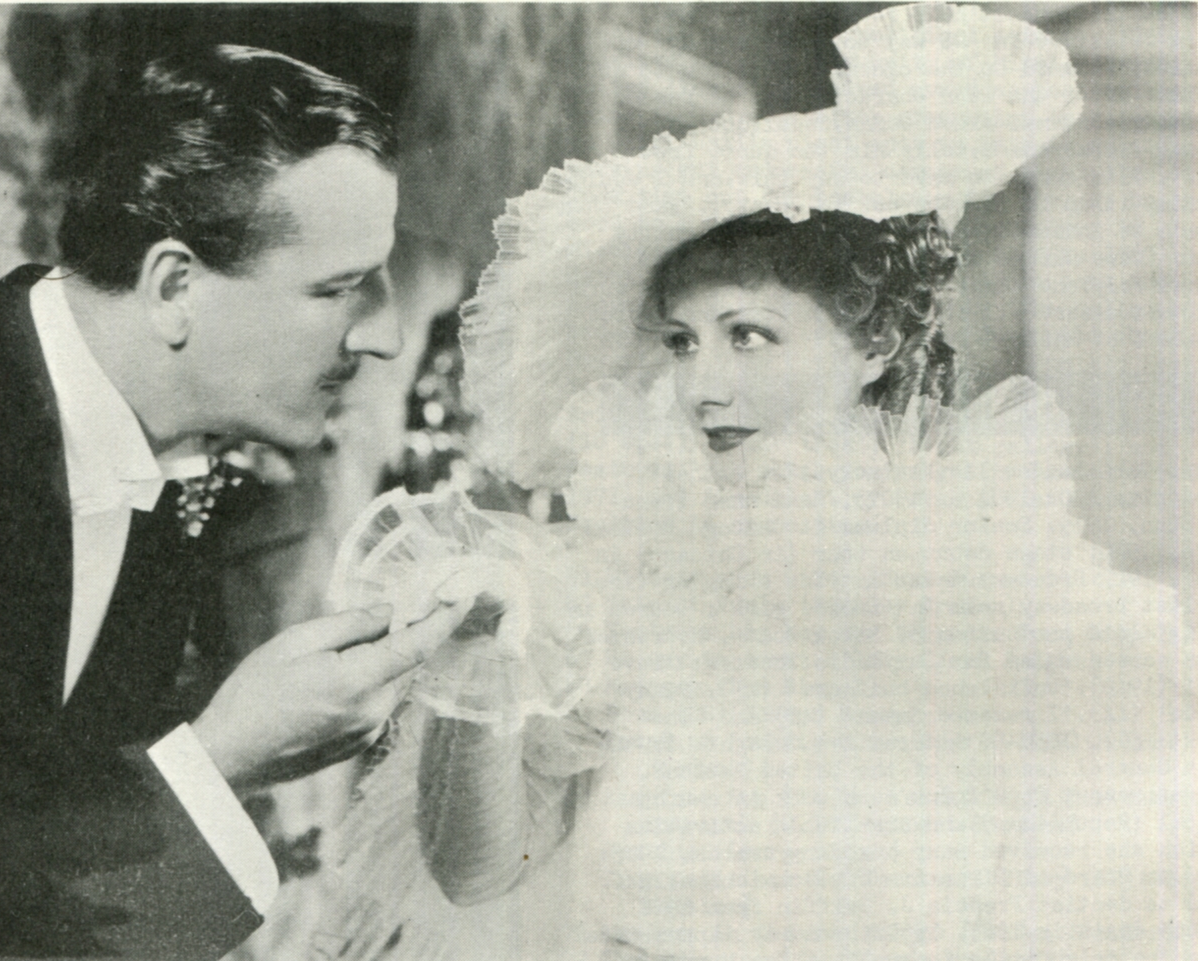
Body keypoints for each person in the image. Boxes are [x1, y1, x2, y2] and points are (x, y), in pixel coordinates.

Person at [245, 6, 1196, 961]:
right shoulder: (622, 578)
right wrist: (479, 671)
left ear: (875, 342)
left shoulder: (1000, 596)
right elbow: (478, 873)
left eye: (749, 334)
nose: (700, 386)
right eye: (680, 341)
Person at [0, 45, 476, 959]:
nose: (387, 334)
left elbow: (67, 927)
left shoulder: (169, 456)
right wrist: (221, 754)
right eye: (337, 288)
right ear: (173, 288)